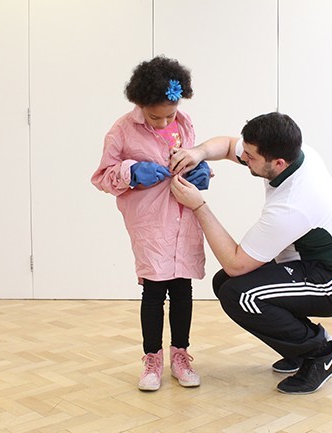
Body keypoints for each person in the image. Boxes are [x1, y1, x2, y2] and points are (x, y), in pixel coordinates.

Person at [169, 112, 332, 394]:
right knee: (225, 284)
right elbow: (226, 145)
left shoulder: (292, 204)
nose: (243, 158)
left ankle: (322, 353)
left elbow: (235, 263)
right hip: (303, 263)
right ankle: (299, 350)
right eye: (245, 153)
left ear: (278, 163)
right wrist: (197, 153)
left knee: (239, 293)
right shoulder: (290, 152)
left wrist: (199, 206)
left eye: (250, 157)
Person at [91, 56, 211, 391]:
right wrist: (131, 171)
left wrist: (201, 171)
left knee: (183, 289)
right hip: (150, 224)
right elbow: (101, 176)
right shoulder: (121, 130)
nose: (163, 122)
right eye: (155, 116)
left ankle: (181, 355)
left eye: (169, 115)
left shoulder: (184, 123)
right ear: (140, 104)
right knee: (154, 290)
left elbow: (193, 156)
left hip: (184, 217)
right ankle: (152, 359)